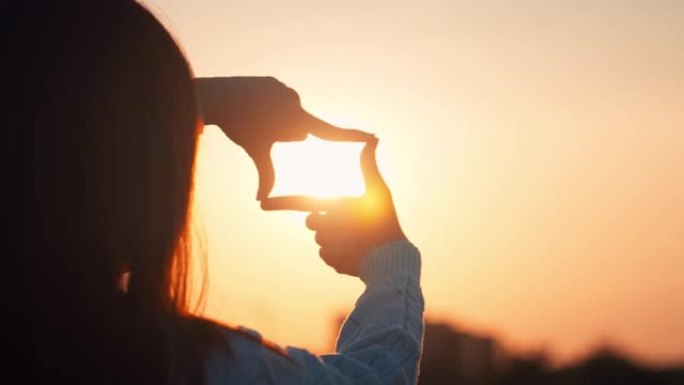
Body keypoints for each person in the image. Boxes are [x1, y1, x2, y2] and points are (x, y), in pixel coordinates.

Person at [6, 1, 424, 384]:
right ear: (146, 186)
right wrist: (389, 259)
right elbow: (373, 378)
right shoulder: (168, 362)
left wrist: (205, 100)